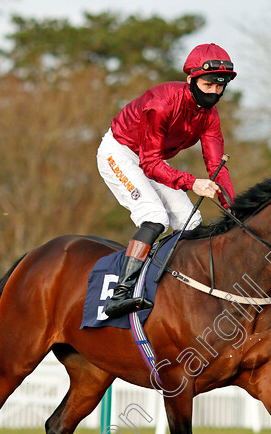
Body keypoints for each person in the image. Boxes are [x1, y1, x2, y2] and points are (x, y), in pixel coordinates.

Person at [97, 43, 237, 318]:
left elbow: (216, 166)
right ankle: (121, 294)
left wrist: (234, 207)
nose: (214, 92)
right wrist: (191, 182)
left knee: (191, 222)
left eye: (220, 87)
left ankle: (170, 288)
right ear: (191, 80)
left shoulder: (210, 116)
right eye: (208, 85)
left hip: (151, 160)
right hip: (121, 153)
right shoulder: (162, 102)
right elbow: (149, 163)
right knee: (154, 217)